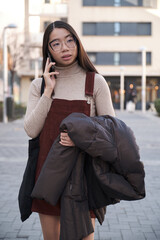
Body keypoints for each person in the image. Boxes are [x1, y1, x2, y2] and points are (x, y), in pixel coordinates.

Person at [24, 21, 115, 240]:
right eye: (56, 43)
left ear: (77, 42)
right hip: (48, 178)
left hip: (83, 178)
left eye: (69, 40)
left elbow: (112, 134)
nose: (64, 48)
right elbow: (31, 130)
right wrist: (48, 92)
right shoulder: (38, 85)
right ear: (48, 51)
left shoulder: (95, 83)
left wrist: (81, 139)